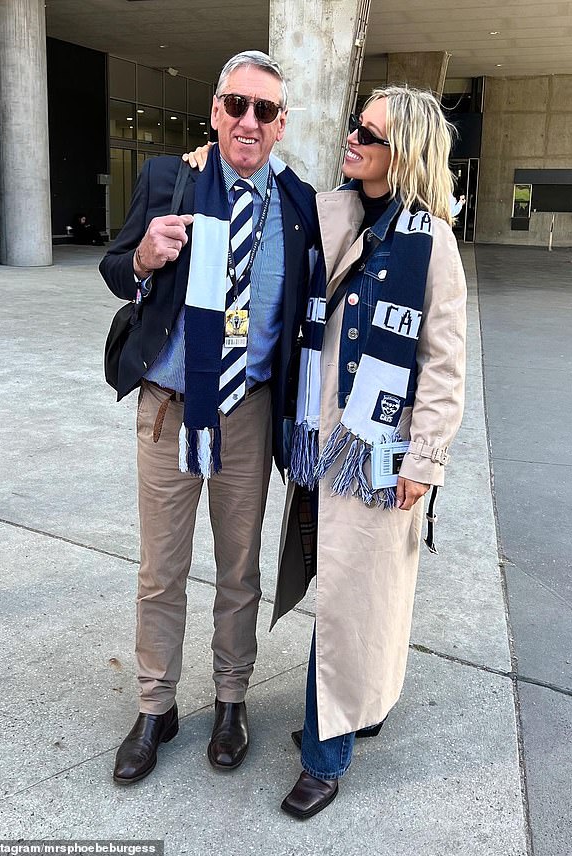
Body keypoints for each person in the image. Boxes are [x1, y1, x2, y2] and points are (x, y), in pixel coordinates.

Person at [99, 50, 317, 785]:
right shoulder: (171, 177)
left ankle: (230, 700)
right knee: (160, 571)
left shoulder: (299, 205)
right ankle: (156, 705)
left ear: (282, 124)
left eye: (264, 110)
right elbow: (113, 264)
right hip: (168, 411)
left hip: (246, 414)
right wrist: (143, 261)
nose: (247, 121)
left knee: (238, 571)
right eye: (235, 105)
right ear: (216, 110)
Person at [271, 85, 468, 818]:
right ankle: (363, 704)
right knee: (358, 590)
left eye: (368, 133)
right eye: (355, 126)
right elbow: (279, 200)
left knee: (355, 596)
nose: (351, 138)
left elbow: (445, 364)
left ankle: (327, 752)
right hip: (326, 439)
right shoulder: (338, 210)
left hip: (382, 448)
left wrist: (427, 459)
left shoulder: (433, 242)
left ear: (404, 153)